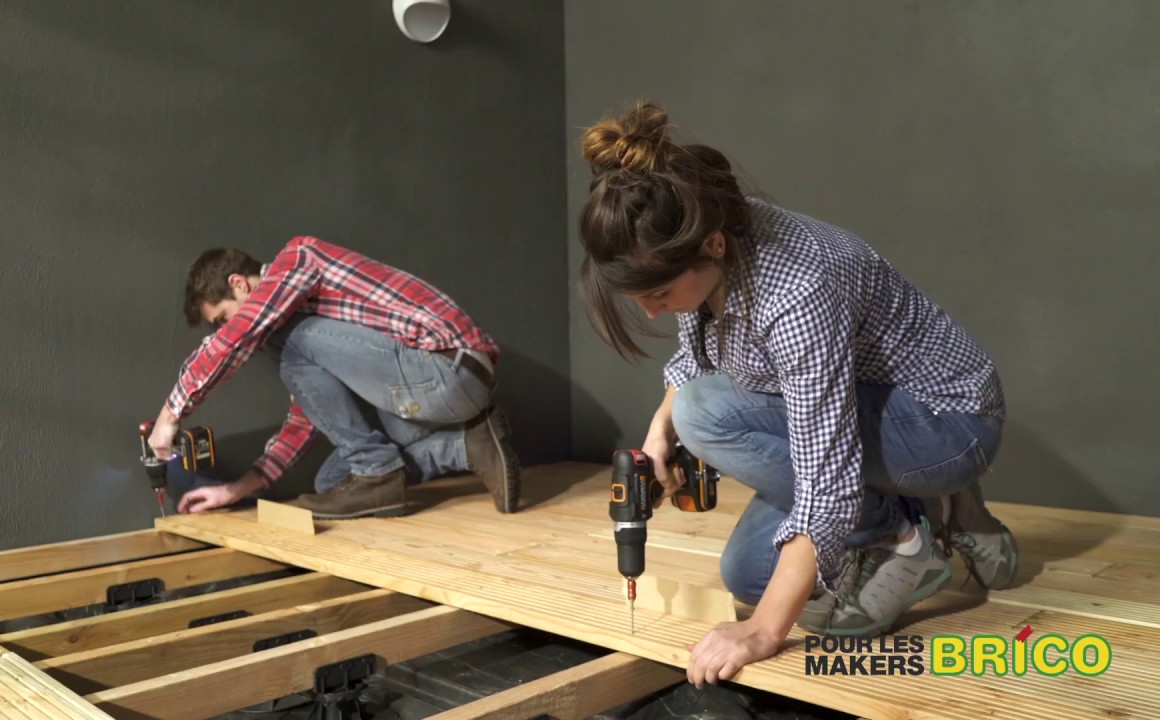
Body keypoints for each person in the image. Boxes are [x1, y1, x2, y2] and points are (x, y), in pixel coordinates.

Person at [574, 101, 1018, 688]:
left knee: (704, 415)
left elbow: (827, 479)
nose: (650, 309)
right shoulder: (696, 227)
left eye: (657, 292)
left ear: (711, 247)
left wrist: (763, 632)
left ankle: (907, 536)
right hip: (873, 405)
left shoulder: (798, 291)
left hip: (948, 419)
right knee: (746, 574)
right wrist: (660, 431)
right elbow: (697, 356)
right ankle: (943, 505)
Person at [145, 237, 522, 520]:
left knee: (285, 340)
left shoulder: (298, 258)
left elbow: (238, 336)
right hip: (424, 398)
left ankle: (378, 473)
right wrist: (234, 489)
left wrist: (170, 414)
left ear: (240, 284)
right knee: (333, 482)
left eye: (223, 317)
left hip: (453, 369)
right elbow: (306, 418)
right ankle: (467, 446)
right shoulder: (301, 338)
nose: (228, 328)